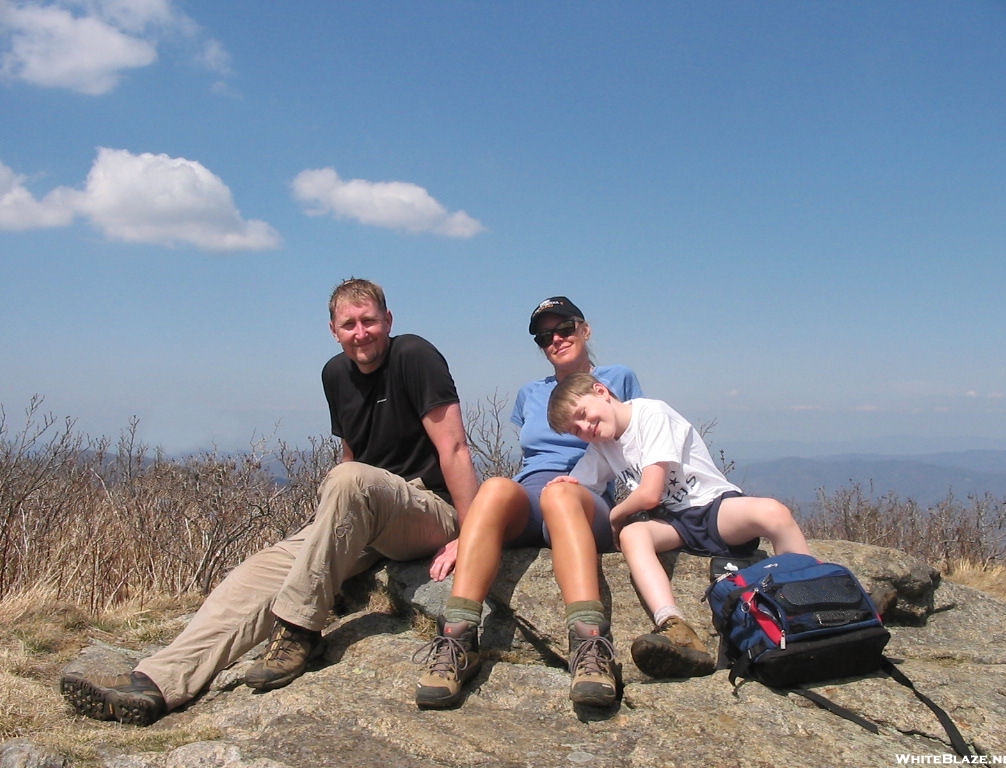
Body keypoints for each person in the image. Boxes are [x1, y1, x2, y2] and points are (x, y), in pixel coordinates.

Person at [61, 278, 479, 725]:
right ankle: (156, 684)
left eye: (369, 321)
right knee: (253, 577)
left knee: (348, 479)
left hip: (426, 507)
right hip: (361, 508)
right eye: (349, 324)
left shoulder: (414, 355)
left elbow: (453, 448)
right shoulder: (334, 374)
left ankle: (299, 630)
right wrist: (327, 540)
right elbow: (354, 453)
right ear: (334, 330)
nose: (361, 333)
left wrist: (470, 535)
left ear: (388, 320)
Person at [413, 297, 642, 709]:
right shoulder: (530, 394)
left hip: (585, 496)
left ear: (584, 329)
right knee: (497, 487)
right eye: (544, 336)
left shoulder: (614, 378)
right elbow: (531, 459)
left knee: (559, 493)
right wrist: (475, 534)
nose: (555, 339)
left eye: (565, 329)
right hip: (531, 496)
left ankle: (590, 647)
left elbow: (637, 438)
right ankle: (457, 642)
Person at [544, 372, 811, 682]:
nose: (586, 428)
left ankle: (806, 594)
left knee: (773, 513)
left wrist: (616, 515)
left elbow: (650, 492)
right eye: (576, 430)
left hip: (712, 508)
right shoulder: (602, 444)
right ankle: (673, 624)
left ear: (601, 392)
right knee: (634, 535)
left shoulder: (651, 414)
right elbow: (581, 482)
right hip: (673, 523)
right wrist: (564, 483)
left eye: (583, 415)